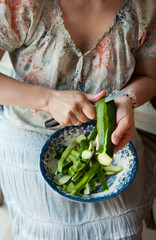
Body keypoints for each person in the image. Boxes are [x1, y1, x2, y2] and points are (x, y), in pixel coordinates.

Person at [0, 0, 156, 239]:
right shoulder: (20, 4)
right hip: (31, 129)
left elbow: (149, 77)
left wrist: (127, 99)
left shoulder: (145, 6)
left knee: (123, 222)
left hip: (110, 131)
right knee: (53, 229)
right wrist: (48, 100)